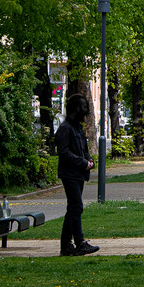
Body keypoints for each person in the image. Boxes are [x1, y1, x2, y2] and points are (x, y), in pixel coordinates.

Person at [54, 95, 98, 255]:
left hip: (77, 173)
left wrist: (89, 160)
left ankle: (66, 245)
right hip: (70, 173)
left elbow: (83, 150)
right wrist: (82, 162)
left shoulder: (76, 128)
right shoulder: (65, 128)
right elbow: (64, 152)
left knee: (73, 209)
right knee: (76, 207)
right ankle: (79, 242)